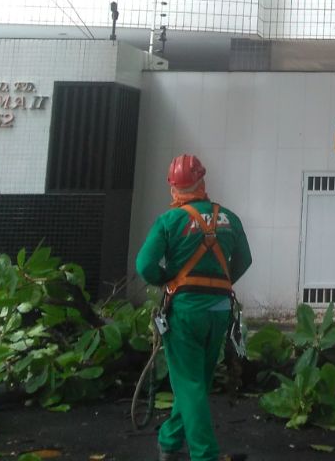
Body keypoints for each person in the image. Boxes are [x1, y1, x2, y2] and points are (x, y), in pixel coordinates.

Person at [136, 154, 252, 461]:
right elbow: (244, 261)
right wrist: (220, 282)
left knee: (188, 383)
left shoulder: (169, 221)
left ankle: (205, 455)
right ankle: (170, 439)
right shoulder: (229, 218)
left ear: (173, 189)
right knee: (196, 382)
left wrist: (166, 281)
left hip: (185, 312)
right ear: (203, 183)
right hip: (219, 312)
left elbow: (144, 265)